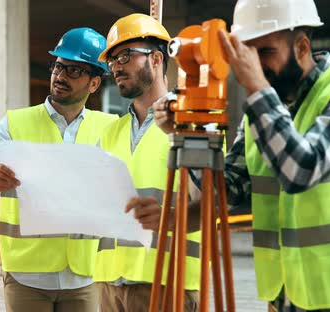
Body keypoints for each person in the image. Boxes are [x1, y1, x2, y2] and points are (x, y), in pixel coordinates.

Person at [153, 0, 330, 311]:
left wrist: (258, 90)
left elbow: (303, 170)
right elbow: (224, 191)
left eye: (266, 52)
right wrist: (186, 132)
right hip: (285, 295)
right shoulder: (260, 114)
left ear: (301, 46)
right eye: (248, 53)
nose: (254, 65)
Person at [0, 27, 118, 312]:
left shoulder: (110, 128)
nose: (61, 76)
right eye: (58, 66)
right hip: (27, 274)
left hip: (84, 275)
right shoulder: (15, 123)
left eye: (74, 70)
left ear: (94, 83)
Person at [94, 13, 200, 312]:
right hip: (109, 282)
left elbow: (209, 203)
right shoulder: (110, 133)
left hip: (168, 279)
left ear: (156, 59)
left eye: (125, 56)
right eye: (112, 60)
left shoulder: (192, 123)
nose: (116, 67)